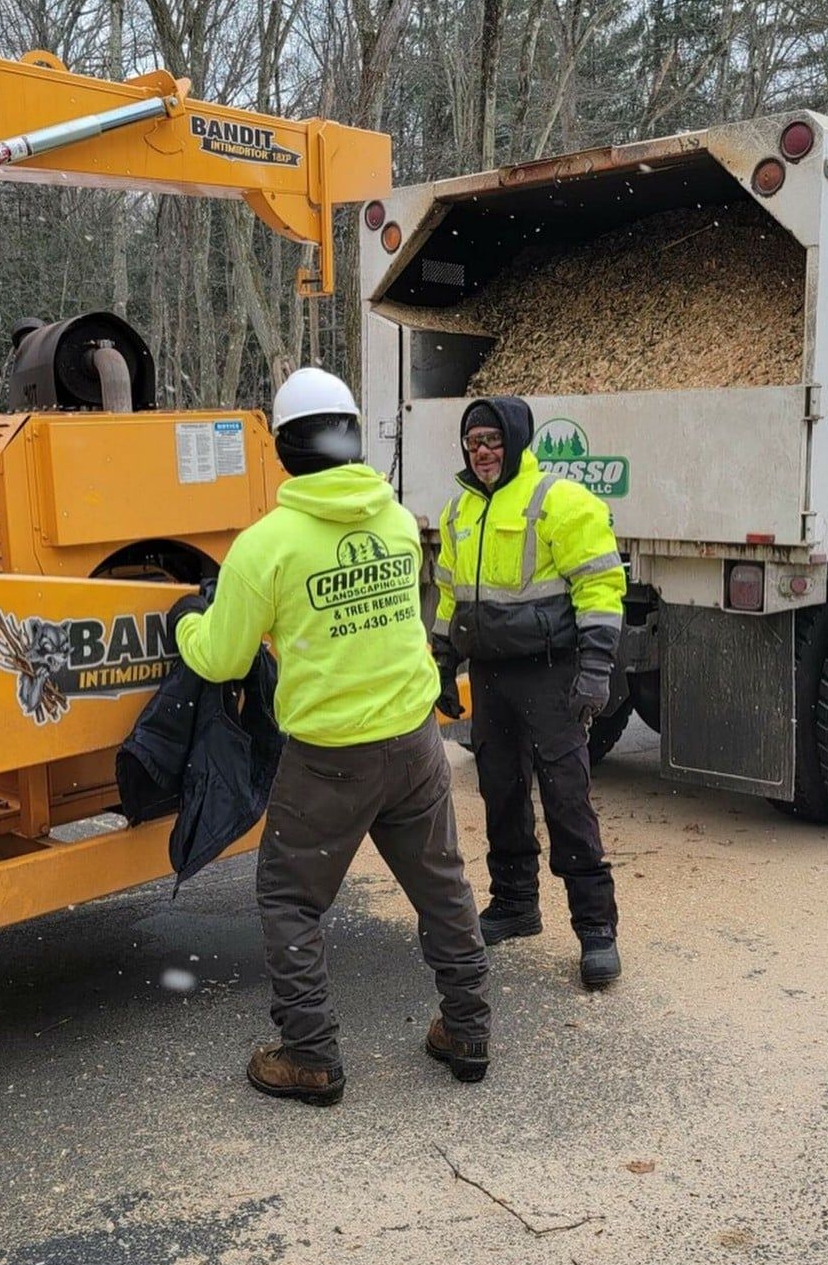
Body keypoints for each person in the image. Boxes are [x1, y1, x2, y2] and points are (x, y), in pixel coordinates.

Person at [169, 367, 490, 1106]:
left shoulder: (266, 545)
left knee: (289, 901)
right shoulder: (399, 521)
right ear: (351, 436)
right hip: (414, 743)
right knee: (441, 888)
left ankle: (310, 1056)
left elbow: (220, 657)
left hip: (330, 761)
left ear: (283, 448)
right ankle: (468, 1030)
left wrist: (188, 618)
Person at [432, 397, 626, 988]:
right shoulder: (459, 511)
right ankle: (516, 904)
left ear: (515, 440)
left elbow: (600, 586)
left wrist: (595, 670)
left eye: (492, 440)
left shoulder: (559, 501)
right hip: (491, 676)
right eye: (473, 443)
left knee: (567, 797)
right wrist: (442, 661)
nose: (483, 452)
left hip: (552, 672)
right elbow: (449, 596)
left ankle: (597, 931)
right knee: (501, 790)